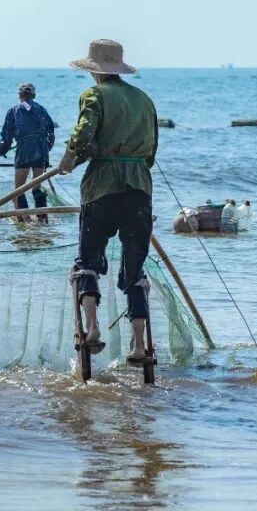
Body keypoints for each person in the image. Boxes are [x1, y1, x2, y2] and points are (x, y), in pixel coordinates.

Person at [58, 39, 158, 363]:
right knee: (134, 270)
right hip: (139, 191)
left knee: (87, 261)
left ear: (94, 71)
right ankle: (139, 346)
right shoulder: (144, 100)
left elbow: (83, 136)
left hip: (101, 190)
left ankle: (91, 329)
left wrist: (68, 160)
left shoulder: (94, 95)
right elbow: (151, 154)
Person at [0, 82, 56, 222]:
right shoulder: (41, 109)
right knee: (37, 186)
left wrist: (0, 150)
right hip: (41, 150)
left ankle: (25, 220)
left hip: (24, 151)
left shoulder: (13, 111)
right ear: (34, 95)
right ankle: (42, 219)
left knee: (18, 190)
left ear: (20, 96)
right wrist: (47, 148)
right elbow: (51, 130)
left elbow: (7, 137)